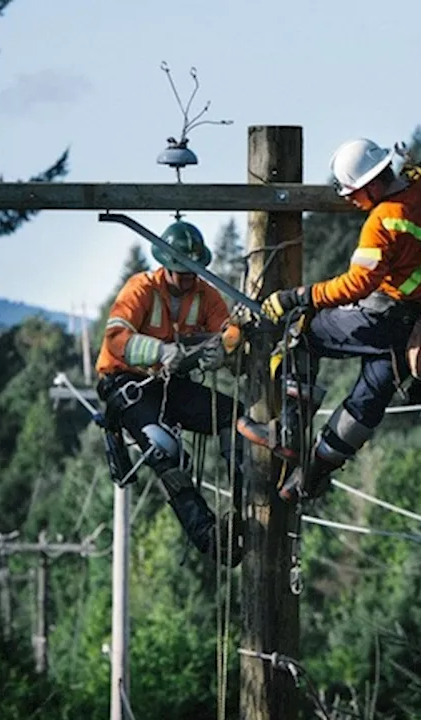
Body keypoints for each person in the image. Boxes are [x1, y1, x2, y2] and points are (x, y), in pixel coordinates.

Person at [258, 138, 421, 503]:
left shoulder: (382, 221)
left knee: (301, 332)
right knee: (367, 403)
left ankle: (288, 433)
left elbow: (357, 284)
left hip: (386, 317)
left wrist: (297, 297)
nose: (350, 200)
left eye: (353, 192)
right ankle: (310, 477)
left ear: (373, 184)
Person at [95, 219, 250, 563]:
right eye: (181, 272)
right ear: (165, 268)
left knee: (234, 416)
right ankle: (210, 538)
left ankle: (246, 506)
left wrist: (222, 351)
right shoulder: (140, 289)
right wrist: (158, 351)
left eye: (192, 272)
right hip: (128, 386)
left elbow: (228, 333)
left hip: (170, 385)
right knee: (165, 451)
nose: (187, 278)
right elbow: (115, 339)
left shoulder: (205, 296)